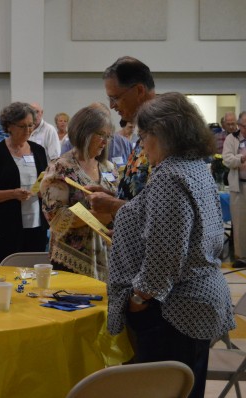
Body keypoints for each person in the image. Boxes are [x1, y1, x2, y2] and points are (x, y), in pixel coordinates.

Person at [107, 92, 234, 398]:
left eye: (144, 136)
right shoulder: (194, 168)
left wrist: (139, 297)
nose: (141, 144)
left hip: (174, 309)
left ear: (161, 134)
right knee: (187, 388)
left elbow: (165, 254)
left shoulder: (170, 176)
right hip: (197, 300)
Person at [40, 103, 117, 281]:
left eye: (108, 136)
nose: (105, 142)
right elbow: (55, 217)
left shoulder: (109, 168)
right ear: (84, 133)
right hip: (72, 259)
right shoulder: (61, 167)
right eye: (101, 135)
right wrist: (97, 215)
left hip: (105, 257)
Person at [0, 102, 48, 264]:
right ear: (9, 126)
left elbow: (44, 182)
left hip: (37, 224)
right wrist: (13, 194)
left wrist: (44, 191)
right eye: (22, 126)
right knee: (9, 270)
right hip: (8, 225)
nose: (28, 130)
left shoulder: (38, 151)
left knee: (35, 271)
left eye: (31, 125)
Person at [87, 56, 157, 215]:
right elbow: (139, 197)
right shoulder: (145, 131)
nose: (112, 106)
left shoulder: (163, 133)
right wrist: (113, 197)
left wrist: (113, 205)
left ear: (139, 90)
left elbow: (163, 212)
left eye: (115, 98)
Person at [223, 110, 246, 268]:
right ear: (239, 125)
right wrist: (242, 158)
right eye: (245, 126)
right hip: (239, 186)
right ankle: (241, 256)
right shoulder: (231, 139)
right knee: (239, 223)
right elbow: (227, 159)